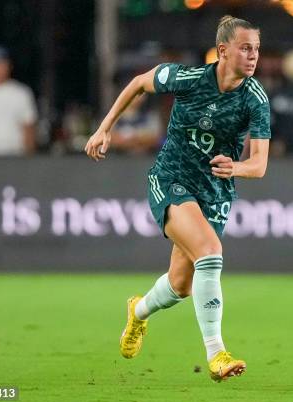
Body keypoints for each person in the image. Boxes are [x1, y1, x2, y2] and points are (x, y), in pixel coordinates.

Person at [84, 16, 270, 382]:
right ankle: (217, 354)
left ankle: (138, 312)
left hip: (214, 191)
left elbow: (259, 164)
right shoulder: (190, 79)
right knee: (211, 253)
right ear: (223, 51)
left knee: (180, 285)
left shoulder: (255, 99)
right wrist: (104, 128)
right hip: (172, 180)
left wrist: (236, 168)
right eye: (245, 48)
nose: (253, 56)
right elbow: (138, 83)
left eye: (257, 49)